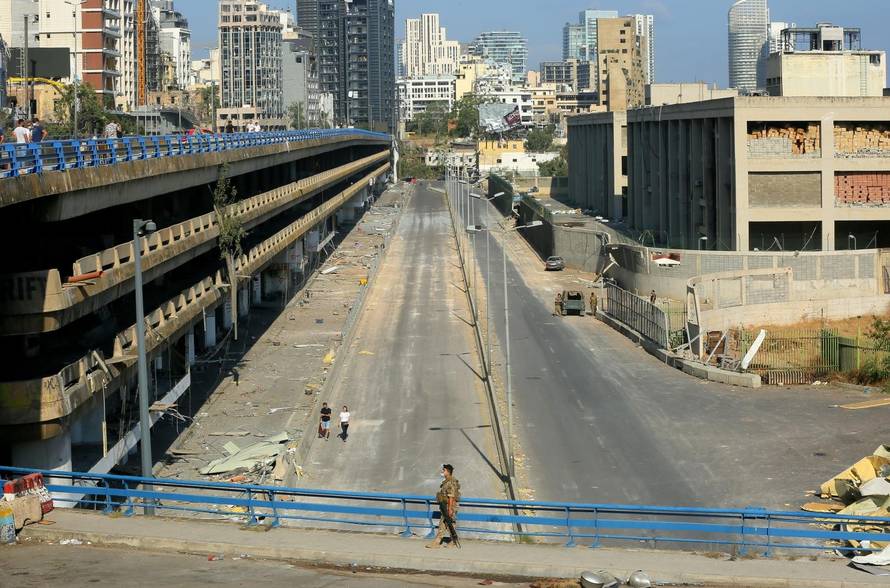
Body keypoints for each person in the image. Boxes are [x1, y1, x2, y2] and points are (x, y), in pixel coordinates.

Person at [427, 464, 461, 549]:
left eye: (444, 470)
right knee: (445, 523)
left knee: (448, 523)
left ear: (448, 472)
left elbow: (451, 496)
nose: (442, 472)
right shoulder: (446, 481)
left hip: (450, 506)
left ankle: (442, 541)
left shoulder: (451, 482)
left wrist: (450, 509)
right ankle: (443, 541)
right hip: (445, 505)